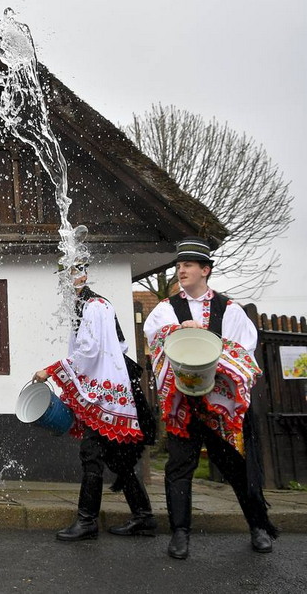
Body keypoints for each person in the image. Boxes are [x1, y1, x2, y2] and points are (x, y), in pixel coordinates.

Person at [144, 237, 278, 559]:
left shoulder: (228, 309)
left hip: (222, 406)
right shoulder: (165, 309)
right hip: (182, 405)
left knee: (239, 466)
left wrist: (207, 339)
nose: (181, 271)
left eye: (188, 265)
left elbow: (244, 351)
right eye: (178, 266)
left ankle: (259, 526)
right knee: (178, 466)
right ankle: (180, 532)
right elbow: (155, 340)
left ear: (205, 270)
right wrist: (177, 332)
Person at [31, 262, 156, 541]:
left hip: (105, 391)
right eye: (63, 276)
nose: (66, 281)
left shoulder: (95, 306)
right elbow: (116, 345)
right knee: (115, 457)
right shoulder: (83, 306)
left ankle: (87, 521)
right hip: (104, 389)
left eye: (71, 274)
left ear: (83, 275)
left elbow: (89, 350)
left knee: (92, 453)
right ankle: (144, 516)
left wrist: (51, 370)